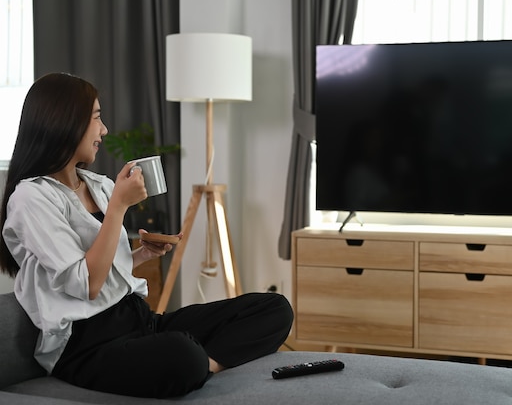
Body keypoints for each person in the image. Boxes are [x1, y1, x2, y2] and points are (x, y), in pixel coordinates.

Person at [0, 73, 293, 398]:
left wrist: (140, 255)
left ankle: (204, 366)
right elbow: (88, 284)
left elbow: (104, 264)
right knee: (181, 353)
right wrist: (119, 207)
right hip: (85, 346)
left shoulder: (96, 184)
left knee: (274, 309)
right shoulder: (31, 198)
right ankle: (194, 363)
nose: (104, 130)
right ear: (66, 121)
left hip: (138, 321)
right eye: (97, 118)